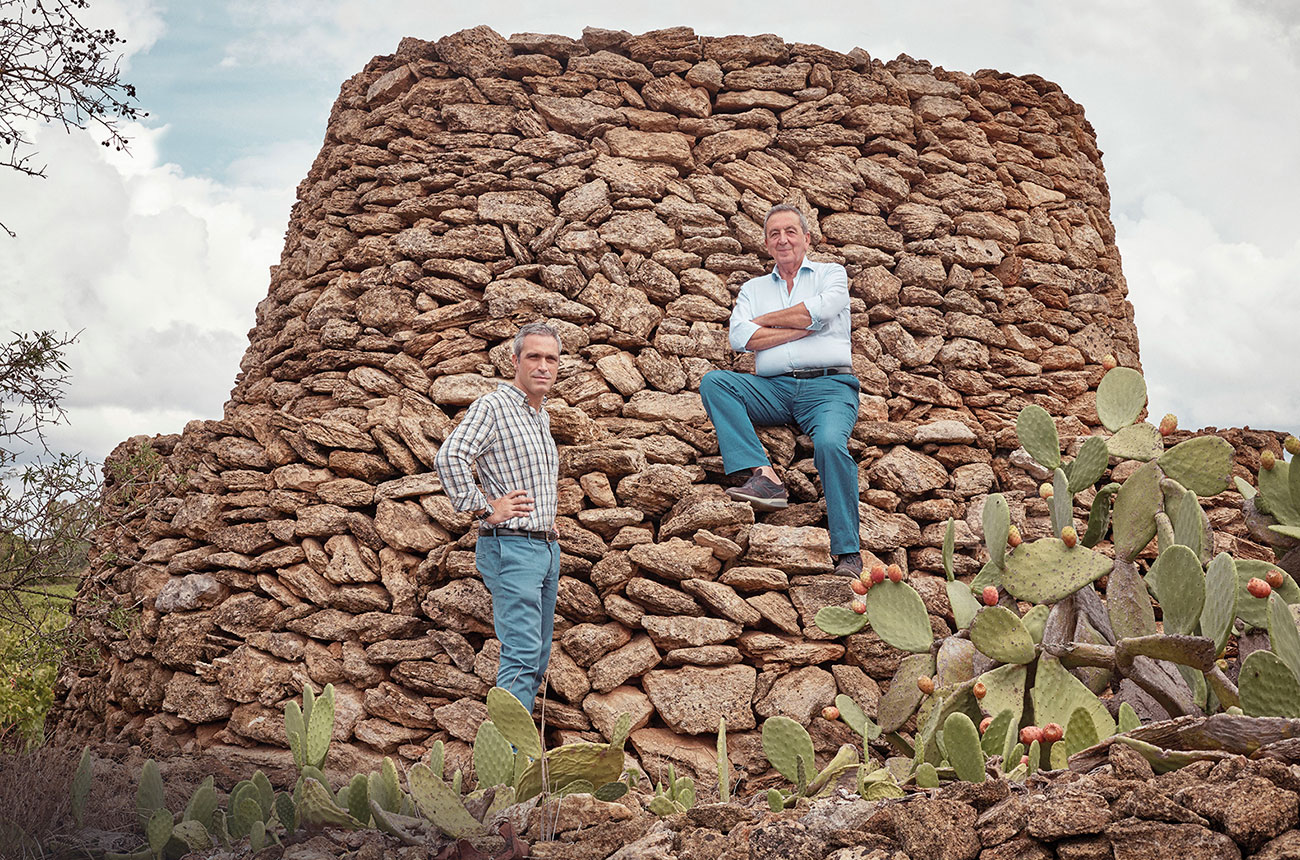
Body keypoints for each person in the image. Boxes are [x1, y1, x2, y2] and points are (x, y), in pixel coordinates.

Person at [699, 204, 863, 578]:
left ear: (807, 238)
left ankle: (848, 553)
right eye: (774, 234)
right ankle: (765, 476)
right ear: (766, 244)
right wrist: (804, 327)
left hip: (828, 388)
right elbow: (740, 337)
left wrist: (766, 323)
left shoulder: (831, 274)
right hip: (772, 389)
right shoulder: (753, 288)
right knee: (716, 383)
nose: (783, 239)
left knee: (830, 445)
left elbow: (824, 309)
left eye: (790, 231)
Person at [434, 321, 562, 710]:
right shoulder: (494, 406)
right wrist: (486, 508)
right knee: (522, 654)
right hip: (512, 548)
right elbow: (450, 456)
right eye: (534, 356)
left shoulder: (540, 415)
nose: (543, 366)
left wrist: (547, 520)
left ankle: (517, 743)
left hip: (545, 548)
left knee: (537, 656)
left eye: (551, 358)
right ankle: (505, 748)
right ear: (515, 360)